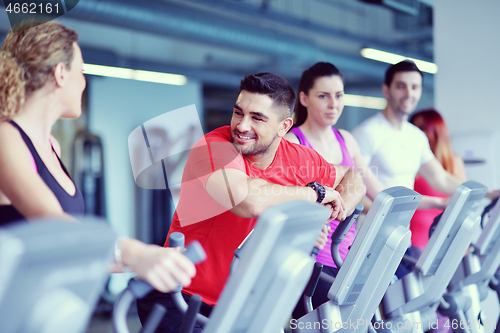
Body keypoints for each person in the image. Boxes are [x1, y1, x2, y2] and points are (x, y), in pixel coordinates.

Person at [136, 72, 366, 332]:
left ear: (284, 127)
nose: (242, 126)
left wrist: (322, 214)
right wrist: (316, 194)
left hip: (241, 304)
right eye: (238, 112)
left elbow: (353, 176)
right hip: (181, 297)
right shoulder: (214, 147)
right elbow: (248, 200)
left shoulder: (300, 158)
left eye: (257, 118)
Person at [0, 20, 195, 294]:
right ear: (60, 74)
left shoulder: (51, 146)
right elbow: (51, 223)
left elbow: (73, 246)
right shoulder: (5, 137)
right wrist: (134, 252)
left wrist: (151, 259)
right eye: (81, 71)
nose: (84, 82)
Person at [283, 62, 385, 316]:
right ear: (304, 98)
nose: (334, 104)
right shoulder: (292, 142)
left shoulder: (346, 139)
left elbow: (374, 190)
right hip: (311, 261)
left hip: (346, 259)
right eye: (323, 96)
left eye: (339, 95)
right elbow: (289, 203)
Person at [352, 60, 500, 214]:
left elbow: (440, 178)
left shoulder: (416, 136)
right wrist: (379, 212)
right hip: (367, 230)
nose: (409, 94)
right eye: (401, 86)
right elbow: (353, 189)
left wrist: (489, 194)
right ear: (386, 90)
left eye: (414, 87)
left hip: (400, 230)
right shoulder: (367, 133)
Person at [408, 109, 467, 251]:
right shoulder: (412, 161)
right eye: (414, 128)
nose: (418, 133)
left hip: (443, 240)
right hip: (415, 241)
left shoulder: (454, 162)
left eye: (422, 128)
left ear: (437, 130)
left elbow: (463, 204)